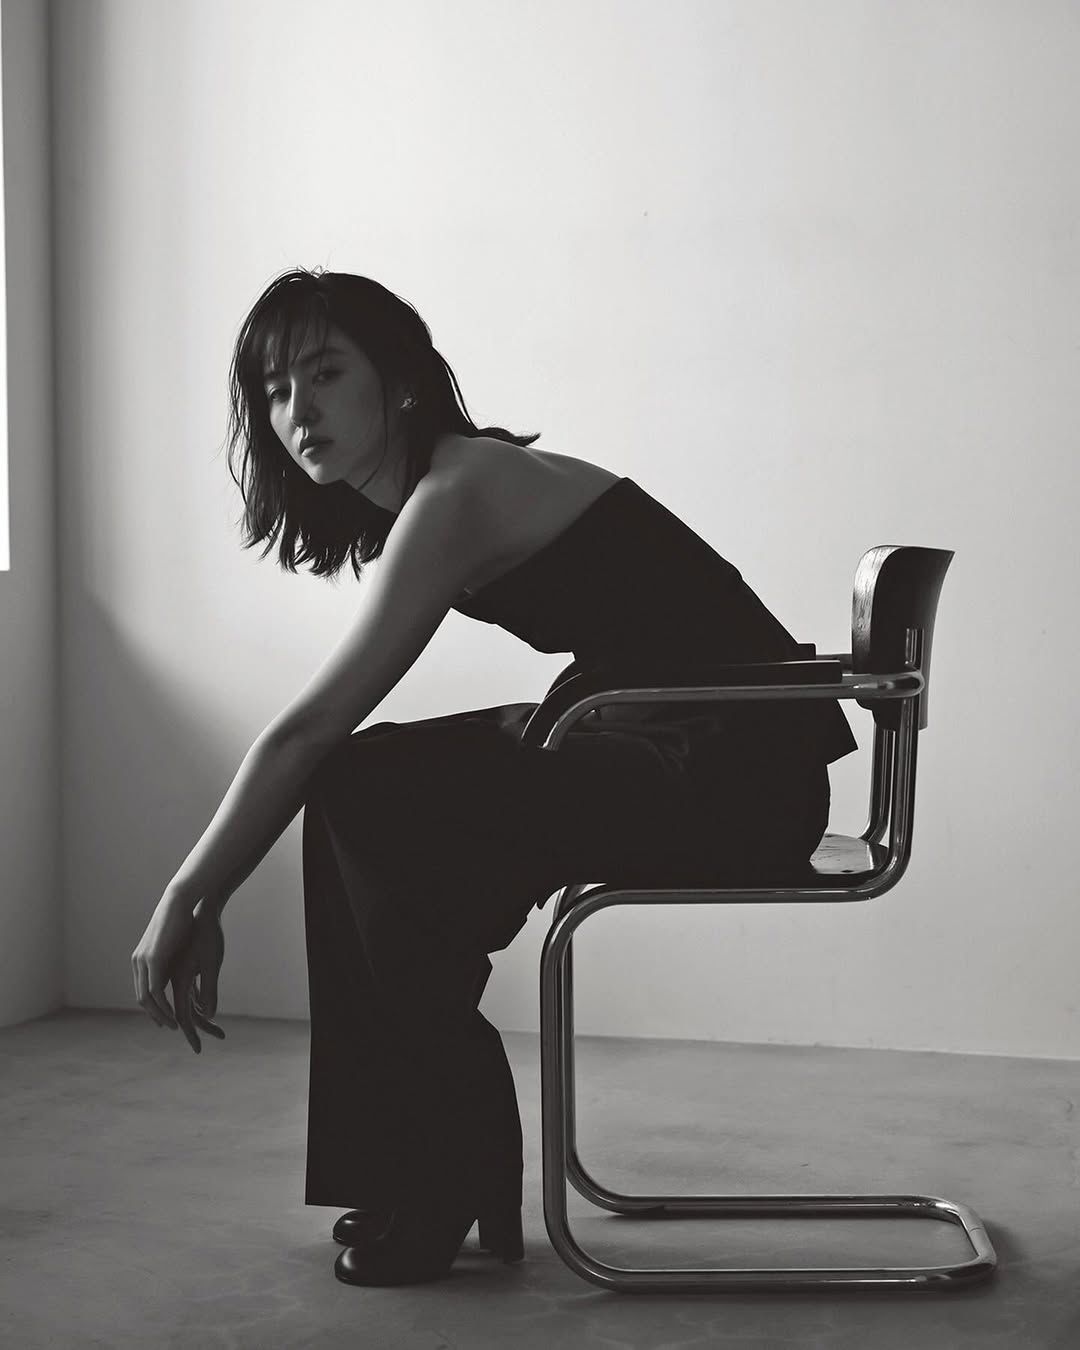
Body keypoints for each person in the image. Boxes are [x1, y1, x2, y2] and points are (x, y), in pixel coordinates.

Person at [131, 266, 857, 1288]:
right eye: (276, 389)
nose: (299, 412)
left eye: (326, 374)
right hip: (666, 742)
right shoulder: (448, 488)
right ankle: (426, 1163)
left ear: (400, 381)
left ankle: (445, 1164)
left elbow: (306, 728)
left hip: (733, 780)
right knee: (361, 780)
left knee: (360, 786)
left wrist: (190, 895)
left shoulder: (457, 495)